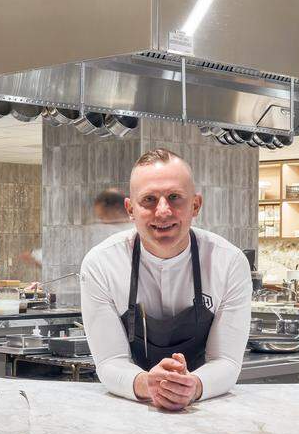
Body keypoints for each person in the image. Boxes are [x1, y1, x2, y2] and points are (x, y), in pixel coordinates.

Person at [80, 148, 252, 411]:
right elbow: (110, 361)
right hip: (130, 411)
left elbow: (226, 361)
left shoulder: (228, 262)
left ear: (195, 205)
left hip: (204, 410)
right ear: (130, 209)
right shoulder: (101, 264)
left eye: (174, 197)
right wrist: (146, 384)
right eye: (148, 199)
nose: (163, 211)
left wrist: (193, 386)